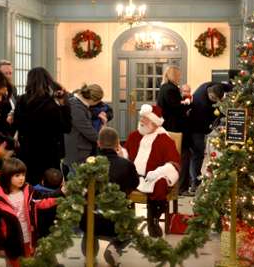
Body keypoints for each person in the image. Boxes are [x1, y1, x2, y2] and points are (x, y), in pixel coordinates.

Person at [80, 127, 139, 266]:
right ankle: (115, 247)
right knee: (131, 225)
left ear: (98, 144)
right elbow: (134, 184)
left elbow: (80, 188)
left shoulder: (89, 164)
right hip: (117, 222)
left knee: (87, 217)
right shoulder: (127, 165)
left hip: (91, 220)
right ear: (118, 144)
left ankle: (90, 255)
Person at [0, 158, 63, 267]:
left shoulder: (28, 190)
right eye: (17, 176)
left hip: (29, 238)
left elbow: (43, 200)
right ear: (7, 176)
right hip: (11, 242)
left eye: (23, 175)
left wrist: (61, 192)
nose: (21, 178)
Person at [123, 104, 180, 237]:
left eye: (145, 119)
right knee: (120, 178)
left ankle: (153, 220)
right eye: (141, 117)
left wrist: (158, 172)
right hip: (134, 176)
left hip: (153, 178)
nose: (141, 121)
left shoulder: (165, 140)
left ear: (154, 123)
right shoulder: (134, 136)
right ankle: (125, 220)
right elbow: (125, 156)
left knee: (161, 184)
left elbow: (174, 163)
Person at [14, 67, 72, 185]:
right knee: (48, 187)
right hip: (49, 153)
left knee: (28, 186)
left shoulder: (21, 100)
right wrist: (64, 105)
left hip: (27, 152)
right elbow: (67, 127)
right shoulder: (51, 105)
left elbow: (17, 124)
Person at [186, 82, 225, 193]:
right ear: (209, 93)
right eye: (212, 98)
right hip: (195, 129)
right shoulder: (201, 102)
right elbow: (204, 122)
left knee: (197, 155)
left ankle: (193, 180)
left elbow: (224, 85)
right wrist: (211, 126)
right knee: (197, 154)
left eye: (216, 99)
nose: (213, 100)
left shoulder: (209, 87)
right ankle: (195, 182)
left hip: (200, 129)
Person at [64, 84, 104, 172]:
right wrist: (102, 141)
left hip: (78, 149)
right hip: (76, 152)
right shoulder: (76, 107)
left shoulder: (77, 103)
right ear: (93, 100)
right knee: (77, 182)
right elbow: (87, 129)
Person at [157, 66, 190, 133]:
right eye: (178, 75)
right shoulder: (171, 89)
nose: (180, 78)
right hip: (171, 124)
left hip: (166, 121)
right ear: (174, 76)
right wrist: (188, 103)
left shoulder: (164, 86)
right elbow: (176, 108)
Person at [34, 168, 64, 239]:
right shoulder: (62, 198)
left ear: (42, 181)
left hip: (38, 232)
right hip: (55, 233)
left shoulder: (33, 192)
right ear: (61, 183)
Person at [0, 60, 17, 145]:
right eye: (5, 73)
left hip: (12, 132)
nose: (8, 76)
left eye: (10, 73)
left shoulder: (13, 88)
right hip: (0, 133)